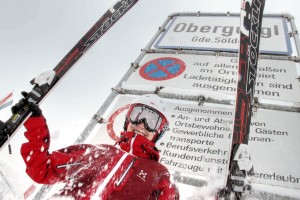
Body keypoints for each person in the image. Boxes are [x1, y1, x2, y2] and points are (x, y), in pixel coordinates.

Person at [12, 73, 179, 200]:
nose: (142, 124)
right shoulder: (96, 152)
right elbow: (42, 169)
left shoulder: (159, 175)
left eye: (152, 121)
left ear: (159, 132)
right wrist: (34, 123)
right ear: (128, 119)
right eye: (138, 114)